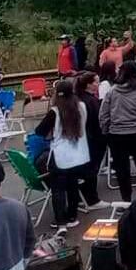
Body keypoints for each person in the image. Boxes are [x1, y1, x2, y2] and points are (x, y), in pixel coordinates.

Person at [34, 80, 98, 226]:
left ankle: (60, 221)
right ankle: (72, 216)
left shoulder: (55, 112)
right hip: (80, 155)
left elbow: (40, 131)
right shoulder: (81, 106)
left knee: (58, 189)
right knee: (73, 185)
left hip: (61, 157)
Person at [100, 61, 136, 202]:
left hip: (117, 134)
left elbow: (104, 114)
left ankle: (126, 199)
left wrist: (106, 130)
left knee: (121, 169)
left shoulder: (112, 91)